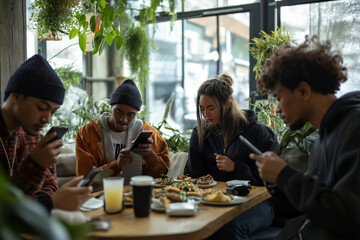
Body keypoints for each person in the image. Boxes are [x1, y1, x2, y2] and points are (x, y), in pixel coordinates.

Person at [250, 35, 360, 240]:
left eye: (279, 97)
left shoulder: (355, 128)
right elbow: (312, 207)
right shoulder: (321, 140)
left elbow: (348, 217)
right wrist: (277, 181)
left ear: (303, 90)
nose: (277, 108)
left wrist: (285, 175)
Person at [184, 73, 278, 239]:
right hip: (215, 201)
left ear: (227, 104)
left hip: (259, 203)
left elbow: (270, 182)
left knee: (229, 227)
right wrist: (195, 144)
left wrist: (236, 167)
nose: (205, 114)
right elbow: (194, 176)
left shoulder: (259, 133)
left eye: (210, 108)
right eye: (202, 109)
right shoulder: (202, 133)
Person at [0, 54, 92, 212]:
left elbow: (49, 186)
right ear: (15, 96)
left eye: (53, 112)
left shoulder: (34, 138)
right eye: (42, 108)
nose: (47, 119)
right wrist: (35, 165)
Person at [76, 79, 170, 184]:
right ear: (111, 106)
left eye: (131, 114)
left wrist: (150, 156)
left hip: (138, 195)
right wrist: (116, 165)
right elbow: (84, 180)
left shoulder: (152, 135)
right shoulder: (87, 133)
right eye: (119, 111)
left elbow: (163, 176)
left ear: (137, 113)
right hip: (100, 197)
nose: (124, 120)